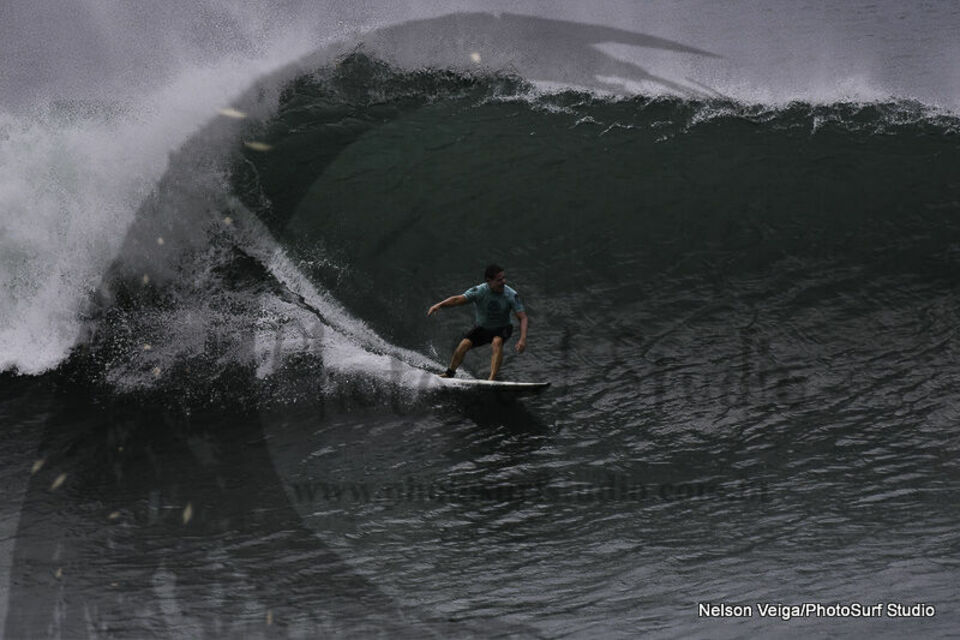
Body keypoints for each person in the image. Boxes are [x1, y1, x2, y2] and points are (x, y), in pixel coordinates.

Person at [427, 264, 528, 380]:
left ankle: (491, 379)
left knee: (497, 341)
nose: (504, 282)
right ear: (489, 281)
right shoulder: (480, 291)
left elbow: (523, 317)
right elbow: (457, 300)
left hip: (503, 328)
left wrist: (522, 339)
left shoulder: (511, 295)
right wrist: (439, 305)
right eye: (499, 280)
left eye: (504, 278)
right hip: (483, 328)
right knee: (463, 345)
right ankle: (449, 373)